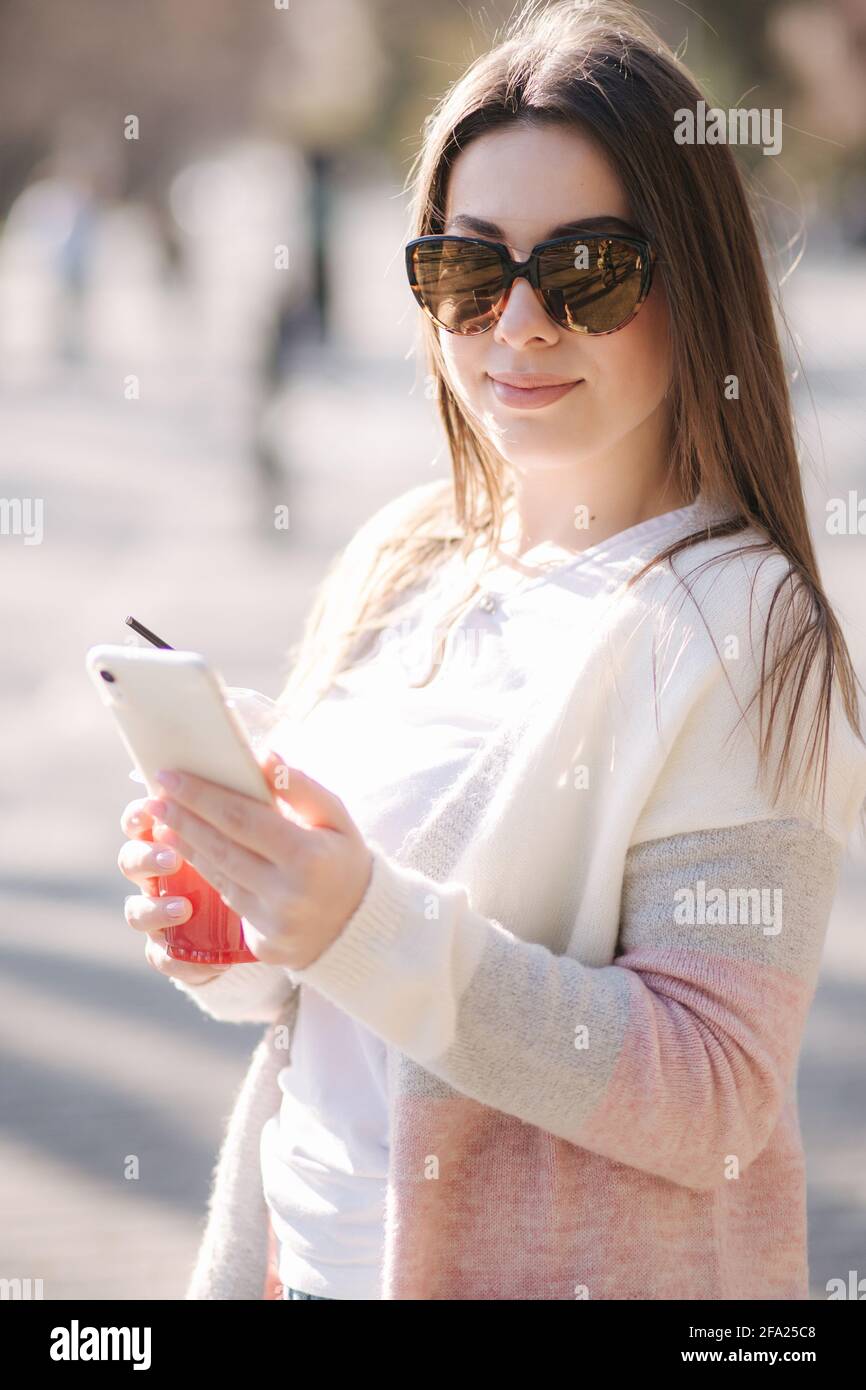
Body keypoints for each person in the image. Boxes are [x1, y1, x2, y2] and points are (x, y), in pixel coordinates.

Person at [118, 0, 866, 1300]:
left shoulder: (739, 627)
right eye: (467, 271)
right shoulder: (404, 559)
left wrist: (358, 916)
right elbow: (338, 997)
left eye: (587, 272)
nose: (515, 324)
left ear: (690, 284)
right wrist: (247, 915)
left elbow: (712, 1096)